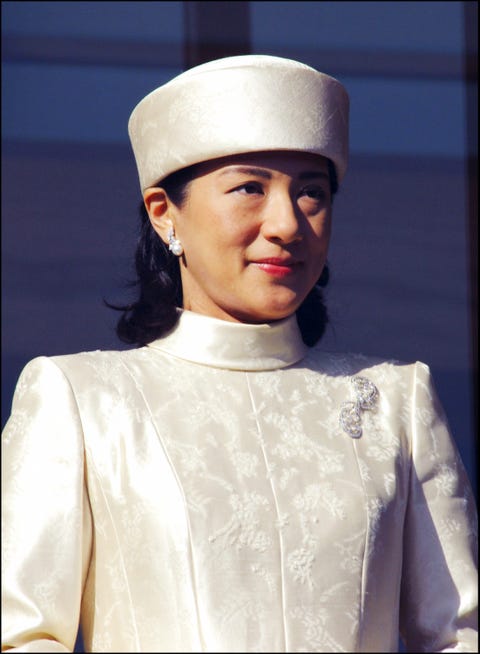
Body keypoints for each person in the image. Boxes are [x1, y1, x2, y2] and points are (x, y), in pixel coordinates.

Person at [1, 54, 477, 653]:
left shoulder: (397, 401)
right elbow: (20, 636)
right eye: (249, 187)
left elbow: (459, 636)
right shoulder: (81, 399)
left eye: (311, 193)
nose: (286, 223)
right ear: (163, 213)